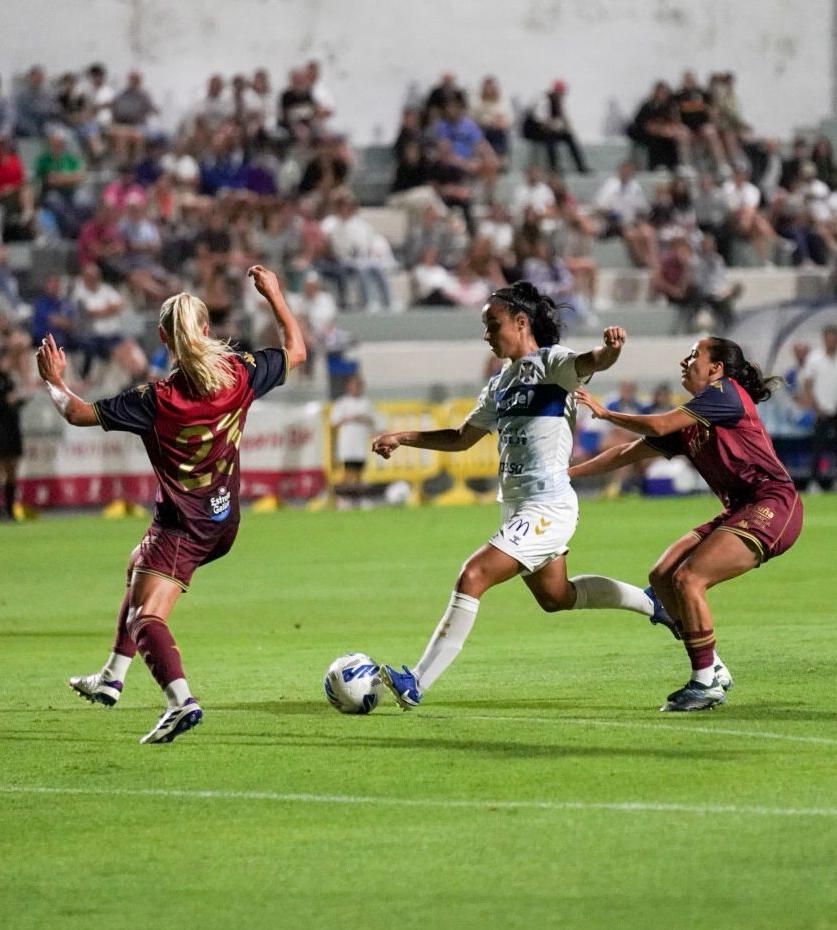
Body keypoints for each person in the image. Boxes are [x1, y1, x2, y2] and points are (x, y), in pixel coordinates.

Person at [370, 281, 675, 711]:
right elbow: (461, 438)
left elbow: (594, 362)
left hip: (548, 506)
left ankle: (416, 680)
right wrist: (403, 437)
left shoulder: (552, 364)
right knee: (557, 597)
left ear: (520, 322)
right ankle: (650, 601)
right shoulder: (499, 384)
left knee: (472, 576)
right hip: (519, 507)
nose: (486, 335)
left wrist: (612, 350)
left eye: (492, 325)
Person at [35, 265, 306, 743]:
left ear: (163, 337)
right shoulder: (240, 373)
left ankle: (181, 701)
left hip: (184, 527)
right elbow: (297, 351)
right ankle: (113, 678)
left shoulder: (156, 399)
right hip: (223, 518)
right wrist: (275, 295)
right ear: (206, 330)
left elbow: (77, 412)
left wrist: (54, 379)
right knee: (137, 563)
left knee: (146, 618)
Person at [569, 337, 802, 711]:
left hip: (772, 505)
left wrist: (606, 413)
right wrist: (566, 474)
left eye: (694, 354)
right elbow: (627, 453)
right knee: (662, 577)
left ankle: (704, 683)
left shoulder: (727, 393)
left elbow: (659, 424)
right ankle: (714, 668)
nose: (685, 359)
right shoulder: (694, 417)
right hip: (741, 508)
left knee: (689, 578)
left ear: (716, 368)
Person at [330, 374, 377, 504]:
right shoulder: (342, 403)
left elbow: (373, 421)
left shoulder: (367, 403)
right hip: (347, 442)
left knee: (359, 470)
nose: (357, 387)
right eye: (354, 385)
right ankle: (344, 498)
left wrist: (361, 418)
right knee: (347, 469)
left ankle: (357, 498)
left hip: (361, 441)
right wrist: (348, 418)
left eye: (359, 385)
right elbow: (334, 422)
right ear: (348, 386)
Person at [801, 324, 837, 491]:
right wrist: (815, 407)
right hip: (821, 409)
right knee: (818, 447)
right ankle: (814, 481)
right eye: (828, 337)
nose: (831, 341)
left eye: (833, 337)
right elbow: (808, 384)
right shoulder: (814, 358)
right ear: (824, 339)